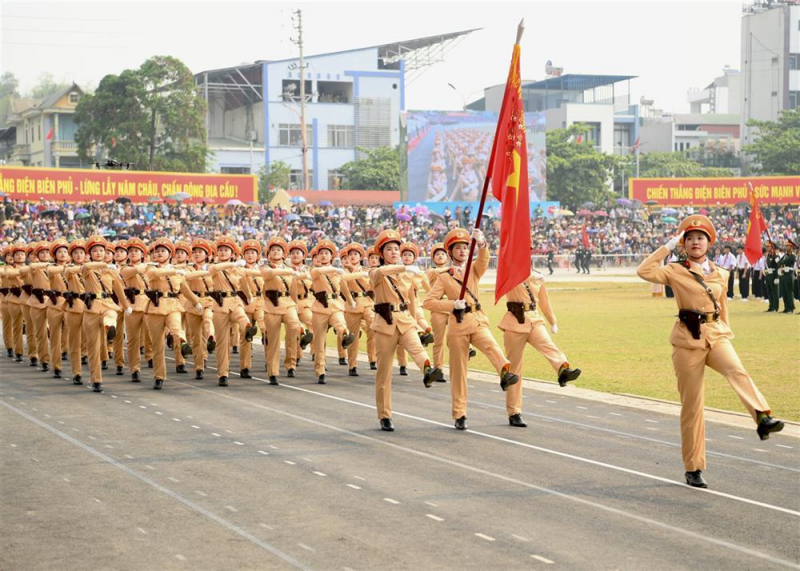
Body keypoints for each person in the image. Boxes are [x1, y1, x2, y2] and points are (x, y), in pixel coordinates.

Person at [636, 215, 784, 488]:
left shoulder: (721, 273)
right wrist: (667, 247)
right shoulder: (674, 270)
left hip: (716, 335)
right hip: (687, 341)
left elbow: (722, 306)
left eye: (700, 238)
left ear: (709, 243)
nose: (695, 242)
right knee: (693, 408)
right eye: (690, 238)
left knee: (737, 370)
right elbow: (644, 271)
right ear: (683, 243)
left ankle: (762, 417)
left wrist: (726, 332)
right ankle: (694, 468)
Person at [423, 227, 519, 430]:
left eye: (465, 247)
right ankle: (460, 414)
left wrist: (482, 244)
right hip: (457, 325)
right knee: (459, 373)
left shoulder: (473, 269)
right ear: (450, 253)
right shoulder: (444, 276)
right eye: (457, 248)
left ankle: (504, 373)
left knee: (493, 347)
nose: (462, 251)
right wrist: (451, 305)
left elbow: (483, 261)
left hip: (476, 319)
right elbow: (429, 302)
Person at [370, 229, 444, 431]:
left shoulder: (407, 276)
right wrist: (404, 268)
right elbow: (379, 272)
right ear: (381, 253)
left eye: (396, 248)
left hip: (405, 319)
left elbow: (411, 302)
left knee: (418, 349)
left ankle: (428, 370)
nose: (394, 252)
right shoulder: (376, 273)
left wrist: (418, 322)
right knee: (384, 373)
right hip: (385, 324)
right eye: (389, 249)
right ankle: (384, 415)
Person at [499, 269, 582, 427]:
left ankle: (563, 370)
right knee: (514, 370)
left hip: (534, 319)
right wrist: (534, 276)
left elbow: (544, 301)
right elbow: (508, 276)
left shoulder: (537, 276)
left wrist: (552, 321)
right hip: (515, 322)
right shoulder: (511, 272)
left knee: (548, 345)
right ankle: (514, 412)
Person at [136, 238, 196, 390]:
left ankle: (182, 343)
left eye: (163, 251)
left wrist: (197, 302)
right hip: (156, 308)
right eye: (157, 251)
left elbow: (185, 290)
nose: (159, 253)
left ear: (170, 254)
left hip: (173, 305)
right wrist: (175, 270)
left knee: (176, 328)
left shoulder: (178, 272)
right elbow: (156, 273)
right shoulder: (151, 268)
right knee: (157, 346)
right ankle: (159, 376)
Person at [78, 235, 130, 393]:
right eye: (95, 251)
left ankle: (109, 329)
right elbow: (87, 268)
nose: (99, 253)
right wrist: (107, 266)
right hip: (91, 307)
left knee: (112, 315)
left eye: (102, 250)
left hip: (107, 303)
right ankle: (96, 379)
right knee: (93, 347)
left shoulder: (111, 271)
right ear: (90, 254)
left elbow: (119, 289)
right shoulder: (86, 268)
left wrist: (126, 306)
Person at [309, 239, 356, 384]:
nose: (323, 256)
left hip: (335, 305)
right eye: (321, 253)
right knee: (319, 341)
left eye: (327, 253)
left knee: (341, 324)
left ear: (331, 256)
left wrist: (350, 301)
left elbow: (344, 288)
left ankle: (345, 336)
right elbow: (319, 271)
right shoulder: (315, 271)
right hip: (320, 308)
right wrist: (335, 270)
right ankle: (320, 370)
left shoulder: (337, 273)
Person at [259, 236, 301, 385]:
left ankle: (294, 356)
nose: (276, 252)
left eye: (279, 250)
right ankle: (273, 372)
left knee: (295, 325)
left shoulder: (290, 270)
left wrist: (296, 305)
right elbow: (269, 274)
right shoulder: (265, 268)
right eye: (273, 250)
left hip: (288, 303)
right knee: (273, 341)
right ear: (268, 254)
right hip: (272, 306)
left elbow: (294, 290)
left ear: (284, 254)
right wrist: (289, 272)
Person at [119, 238, 153, 383]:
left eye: (136, 251)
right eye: (131, 251)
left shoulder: (151, 268)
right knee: (133, 340)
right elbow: (136, 270)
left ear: (142, 253)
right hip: (132, 305)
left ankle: (151, 357)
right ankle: (135, 369)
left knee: (151, 336)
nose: (133, 253)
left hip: (147, 303)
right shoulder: (124, 268)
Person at [341, 243, 377, 377]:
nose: (353, 257)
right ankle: (353, 365)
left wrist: (356, 272)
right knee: (353, 337)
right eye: (350, 255)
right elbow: (343, 280)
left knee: (373, 327)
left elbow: (368, 286)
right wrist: (353, 271)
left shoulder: (366, 270)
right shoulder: (343, 272)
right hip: (352, 305)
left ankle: (373, 358)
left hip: (367, 303)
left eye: (356, 254)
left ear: (361, 257)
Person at [285, 240, 314, 373]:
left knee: (312, 324)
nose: (295, 255)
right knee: (292, 332)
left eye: (298, 253)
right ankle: (293, 360)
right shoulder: (286, 270)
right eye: (293, 253)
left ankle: (307, 344)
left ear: (303, 256)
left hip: (305, 303)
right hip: (289, 303)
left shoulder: (310, 271)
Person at [45, 239, 71, 378]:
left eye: (65, 252)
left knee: (70, 334)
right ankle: (56, 366)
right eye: (60, 252)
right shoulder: (51, 268)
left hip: (70, 303)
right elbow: (53, 271)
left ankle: (68, 354)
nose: (62, 254)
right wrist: (68, 267)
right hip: (55, 304)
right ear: (55, 255)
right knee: (55, 336)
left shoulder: (73, 267)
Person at [778, 240, 796, 313]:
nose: (786, 247)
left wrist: (782, 262)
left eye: (788, 246)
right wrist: (781, 262)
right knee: (784, 292)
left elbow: (784, 262)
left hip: (789, 274)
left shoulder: (792, 256)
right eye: (786, 246)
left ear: (791, 247)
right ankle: (786, 307)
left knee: (789, 292)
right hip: (784, 274)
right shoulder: (785, 255)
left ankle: (790, 308)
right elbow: (779, 262)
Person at [765, 241, 780, 312]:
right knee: (769, 291)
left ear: (772, 248)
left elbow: (778, 266)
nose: (767, 248)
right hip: (769, 275)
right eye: (767, 246)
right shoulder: (768, 255)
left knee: (775, 292)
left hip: (774, 275)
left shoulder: (776, 256)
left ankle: (775, 307)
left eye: (768, 247)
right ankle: (771, 306)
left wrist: (777, 277)